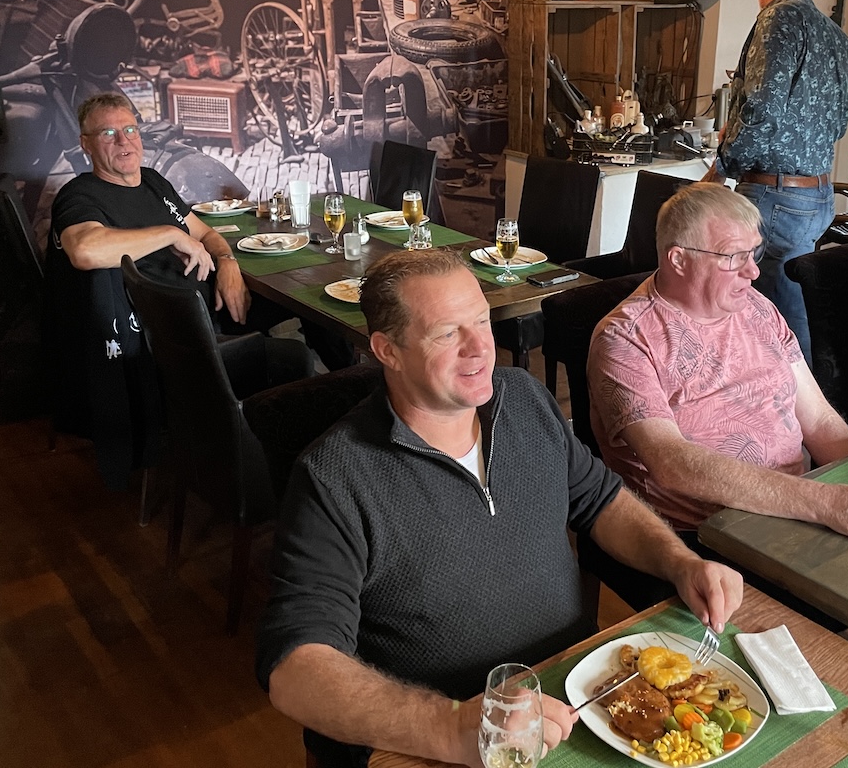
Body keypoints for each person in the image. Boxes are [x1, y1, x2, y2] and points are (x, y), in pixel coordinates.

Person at [255, 249, 743, 768]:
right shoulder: (335, 476)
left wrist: (679, 562)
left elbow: (601, 501)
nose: (480, 348)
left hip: (577, 698)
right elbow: (294, 667)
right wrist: (452, 727)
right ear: (388, 351)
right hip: (443, 738)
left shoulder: (523, 400)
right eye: (448, 333)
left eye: (482, 320)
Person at [587, 183, 848, 578]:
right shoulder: (626, 339)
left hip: (801, 507)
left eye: (754, 253)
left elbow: (819, 420)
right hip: (706, 539)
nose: (753, 271)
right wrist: (831, 504)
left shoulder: (755, 306)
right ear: (679, 259)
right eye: (734, 257)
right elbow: (671, 463)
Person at [45, 92, 317, 488]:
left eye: (130, 129)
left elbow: (205, 233)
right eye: (108, 133)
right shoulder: (80, 195)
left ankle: (338, 423)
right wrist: (170, 234)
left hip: (211, 306)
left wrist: (227, 263)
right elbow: (85, 251)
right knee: (293, 358)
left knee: (313, 307)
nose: (123, 141)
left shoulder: (153, 182)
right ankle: (282, 468)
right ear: (86, 144)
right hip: (178, 341)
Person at [713, 0, 848, 362]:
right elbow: (838, 123)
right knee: (789, 311)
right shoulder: (838, 37)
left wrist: (722, 168)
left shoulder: (778, 20)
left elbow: (761, 109)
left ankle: (795, 404)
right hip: (818, 195)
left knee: (762, 317)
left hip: (774, 197)